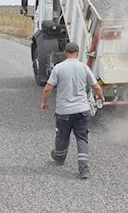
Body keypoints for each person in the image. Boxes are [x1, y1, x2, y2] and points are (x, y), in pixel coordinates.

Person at [40, 41, 104, 179]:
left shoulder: (58, 68)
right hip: (82, 110)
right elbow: (96, 87)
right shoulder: (84, 67)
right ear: (78, 53)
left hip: (64, 112)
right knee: (82, 138)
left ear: (65, 53)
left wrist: (44, 102)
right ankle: (84, 169)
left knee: (62, 136)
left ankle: (60, 157)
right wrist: (101, 97)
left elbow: (48, 88)